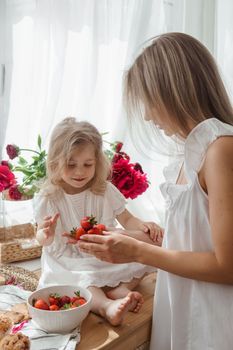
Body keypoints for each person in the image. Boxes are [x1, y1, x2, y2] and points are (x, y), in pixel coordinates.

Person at [77, 32, 233, 349]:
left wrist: (136, 251)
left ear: (173, 90)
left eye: (149, 101)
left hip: (213, 320)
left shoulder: (221, 150)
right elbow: (188, 241)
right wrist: (123, 239)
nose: (147, 115)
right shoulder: (190, 154)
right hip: (182, 307)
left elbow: (227, 265)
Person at [35, 117, 163, 326]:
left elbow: (127, 218)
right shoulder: (48, 197)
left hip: (105, 252)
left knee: (143, 259)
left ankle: (119, 290)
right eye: (71, 164)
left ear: (98, 162)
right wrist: (45, 235)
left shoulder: (103, 189)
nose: (80, 172)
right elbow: (42, 237)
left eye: (88, 164)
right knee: (80, 280)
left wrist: (143, 225)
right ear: (55, 162)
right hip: (68, 259)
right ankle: (106, 306)